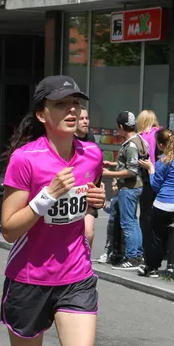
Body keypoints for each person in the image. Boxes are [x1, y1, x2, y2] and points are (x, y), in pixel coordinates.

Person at [0, 75, 105, 346]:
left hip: (76, 278)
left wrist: (94, 201)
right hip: (28, 280)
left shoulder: (92, 155)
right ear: (44, 114)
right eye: (62, 104)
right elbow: (9, 227)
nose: (73, 110)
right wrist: (46, 197)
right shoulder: (26, 160)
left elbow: (87, 212)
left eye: (77, 103)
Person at [137, 129, 174, 277]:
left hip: (165, 203)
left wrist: (150, 168)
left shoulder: (163, 162)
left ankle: (151, 267)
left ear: (161, 145)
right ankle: (170, 266)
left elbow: (155, 186)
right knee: (170, 234)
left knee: (155, 236)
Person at [102, 111, 148, 270]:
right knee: (133, 222)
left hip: (129, 188)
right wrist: (114, 164)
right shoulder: (139, 140)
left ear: (121, 127)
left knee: (128, 223)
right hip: (136, 187)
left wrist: (109, 173)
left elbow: (131, 171)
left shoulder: (131, 145)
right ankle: (138, 255)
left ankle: (132, 257)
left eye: (118, 128)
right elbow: (131, 165)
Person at [136, 110, 160, 259]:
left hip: (147, 179)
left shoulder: (142, 138)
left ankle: (147, 246)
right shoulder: (162, 134)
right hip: (162, 179)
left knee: (146, 214)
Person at [75, 105, 99, 250]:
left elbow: (95, 165)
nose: (85, 122)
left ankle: (85, 266)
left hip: (88, 192)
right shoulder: (68, 139)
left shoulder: (90, 138)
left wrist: (98, 183)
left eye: (87, 118)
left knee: (88, 234)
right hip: (72, 192)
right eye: (81, 119)